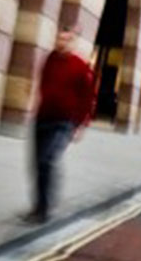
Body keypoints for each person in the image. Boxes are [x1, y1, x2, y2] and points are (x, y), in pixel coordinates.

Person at [23, 25, 96, 225]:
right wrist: (34, 102)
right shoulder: (49, 59)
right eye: (59, 39)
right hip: (43, 117)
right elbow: (42, 83)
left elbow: (88, 98)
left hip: (65, 122)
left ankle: (45, 210)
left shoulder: (81, 66)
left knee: (47, 160)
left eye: (66, 40)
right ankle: (38, 207)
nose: (61, 43)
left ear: (73, 43)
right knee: (37, 164)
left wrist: (81, 125)